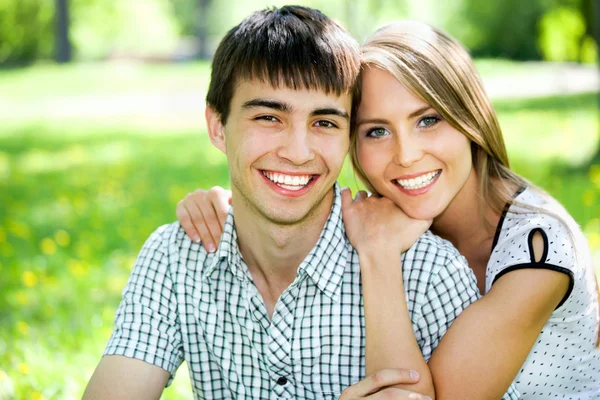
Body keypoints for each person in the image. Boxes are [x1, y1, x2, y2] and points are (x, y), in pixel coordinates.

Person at [177, 21, 600, 399]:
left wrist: (377, 253)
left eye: (428, 120)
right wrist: (234, 207)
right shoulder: (391, 216)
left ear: (470, 117)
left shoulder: (537, 251)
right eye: (376, 131)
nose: (407, 155)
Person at [83, 8, 488, 399]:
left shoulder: (427, 271)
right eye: (268, 118)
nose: (297, 152)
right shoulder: (176, 258)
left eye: (325, 123)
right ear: (217, 126)